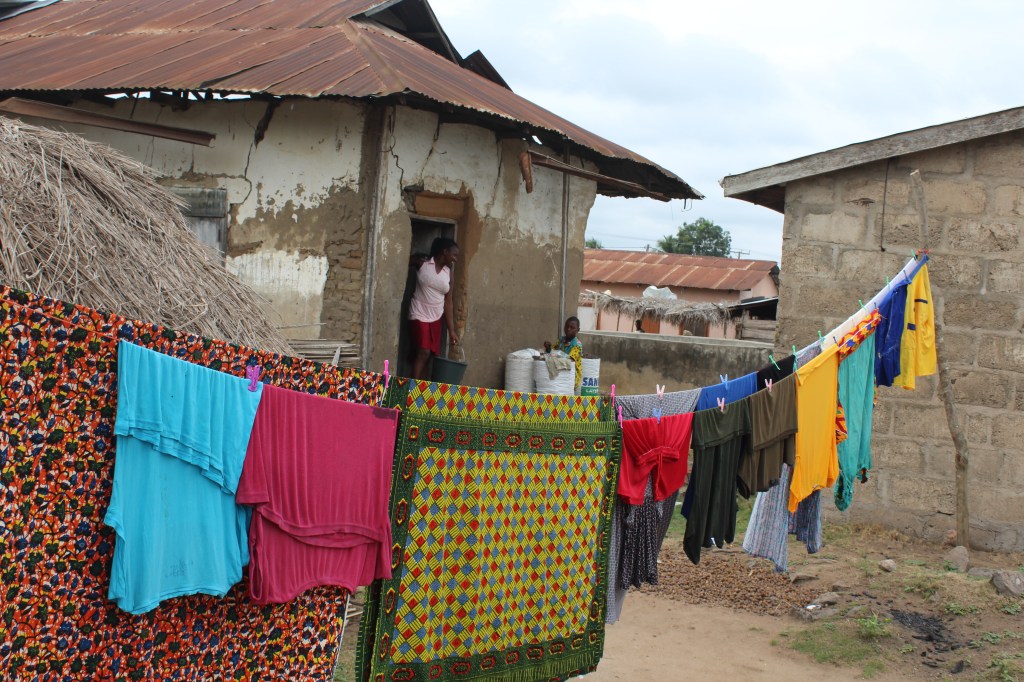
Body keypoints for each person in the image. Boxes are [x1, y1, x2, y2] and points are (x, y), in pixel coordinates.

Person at [409, 237, 460, 380]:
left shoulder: (449, 273)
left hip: (436, 316)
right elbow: (402, 262)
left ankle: (421, 389)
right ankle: (411, 389)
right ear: (444, 252)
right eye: (454, 255)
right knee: (423, 351)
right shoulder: (423, 263)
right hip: (418, 311)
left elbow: (448, 302)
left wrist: (451, 330)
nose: (455, 259)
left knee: (429, 355)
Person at [544, 316, 583, 391]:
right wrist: (548, 347)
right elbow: (552, 351)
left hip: (571, 377)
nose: (568, 329)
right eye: (567, 326)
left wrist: (555, 354)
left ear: (578, 330)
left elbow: (569, 360)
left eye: (572, 327)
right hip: (560, 374)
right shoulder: (561, 340)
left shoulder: (577, 345)